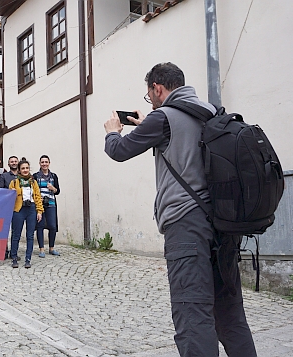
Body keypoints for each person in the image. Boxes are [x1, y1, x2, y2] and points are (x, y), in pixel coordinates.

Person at [103, 62, 256, 357]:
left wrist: (113, 132)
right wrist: (148, 122)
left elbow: (118, 151)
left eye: (150, 95)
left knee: (192, 314)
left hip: (186, 227)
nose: (152, 100)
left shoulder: (163, 118)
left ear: (158, 88)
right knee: (230, 315)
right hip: (223, 226)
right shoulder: (210, 112)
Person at [8, 159, 43, 269]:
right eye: (23, 168)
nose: (25, 170)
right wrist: (12, 192)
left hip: (31, 209)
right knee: (16, 235)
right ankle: (14, 257)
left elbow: (37, 197)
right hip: (19, 209)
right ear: (19, 170)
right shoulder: (14, 182)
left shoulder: (33, 182)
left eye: (27, 168)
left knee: (30, 235)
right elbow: (9, 197)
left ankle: (28, 259)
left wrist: (39, 211)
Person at [33, 155, 61, 258]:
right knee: (40, 226)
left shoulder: (54, 176)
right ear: (39, 163)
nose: (44, 164)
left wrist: (53, 188)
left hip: (51, 204)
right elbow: (32, 190)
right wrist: (37, 198)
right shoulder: (35, 176)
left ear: (49, 163)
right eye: (42, 162)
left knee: (52, 226)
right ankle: (41, 249)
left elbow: (58, 191)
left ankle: (51, 248)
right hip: (40, 204)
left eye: (46, 162)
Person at [0, 155, 19, 259]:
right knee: (5, 230)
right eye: (12, 161)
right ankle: (4, 251)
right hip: (6, 207)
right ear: (8, 164)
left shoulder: (23, 176)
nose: (14, 163)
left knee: (16, 231)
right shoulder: (4, 176)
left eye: (15, 161)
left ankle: (14, 252)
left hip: (19, 207)